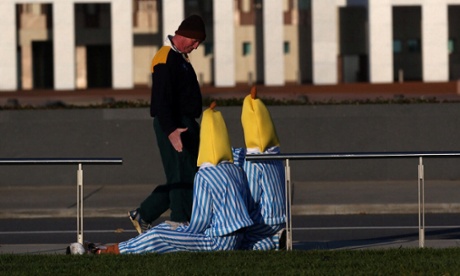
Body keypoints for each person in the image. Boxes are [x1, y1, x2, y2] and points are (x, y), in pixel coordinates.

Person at [70, 103, 253, 254]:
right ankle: (108, 249)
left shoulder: (205, 175)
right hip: (236, 238)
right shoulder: (235, 169)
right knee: (167, 230)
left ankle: (109, 251)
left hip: (217, 242)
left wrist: (181, 230)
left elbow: (200, 223)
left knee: (159, 234)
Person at [129, 15, 206, 234]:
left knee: (188, 173)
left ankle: (143, 214)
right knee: (181, 175)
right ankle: (180, 222)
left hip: (185, 123)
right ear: (185, 34)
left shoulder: (180, 57)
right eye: (195, 41)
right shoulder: (165, 57)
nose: (196, 46)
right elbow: (160, 99)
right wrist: (171, 130)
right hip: (174, 124)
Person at [233, 86, 286, 251]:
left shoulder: (254, 163)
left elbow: (252, 197)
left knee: (239, 239)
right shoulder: (276, 156)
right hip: (283, 216)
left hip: (266, 220)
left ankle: (274, 243)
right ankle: (275, 239)